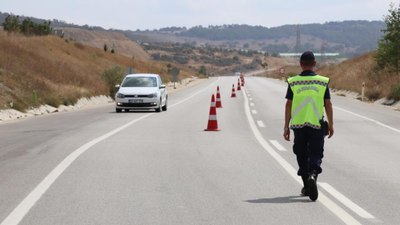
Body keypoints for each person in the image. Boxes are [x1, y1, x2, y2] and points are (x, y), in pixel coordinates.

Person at [283, 51, 334, 201]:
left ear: (300, 64)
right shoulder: (322, 81)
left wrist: (286, 126)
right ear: (314, 64)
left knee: (301, 153)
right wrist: (331, 124)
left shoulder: (294, 81)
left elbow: (288, 104)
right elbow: (328, 104)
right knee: (316, 153)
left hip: (298, 126)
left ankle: (306, 184)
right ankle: (313, 174)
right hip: (316, 125)